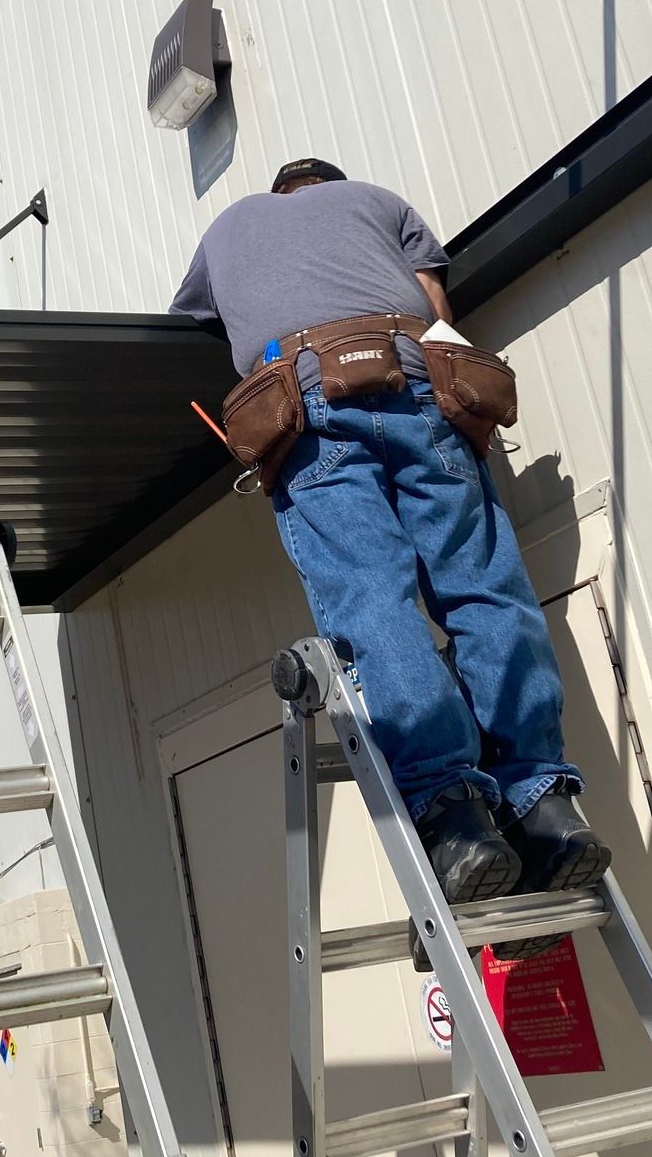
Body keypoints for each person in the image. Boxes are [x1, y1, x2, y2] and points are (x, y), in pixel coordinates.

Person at [171, 156, 609, 941]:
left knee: (374, 601)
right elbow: (437, 312)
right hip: (415, 384)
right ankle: (544, 804)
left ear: (281, 192)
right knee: (483, 588)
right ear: (331, 185)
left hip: (308, 402)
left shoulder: (228, 228)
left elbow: (202, 322)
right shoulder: (379, 202)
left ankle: (455, 817)